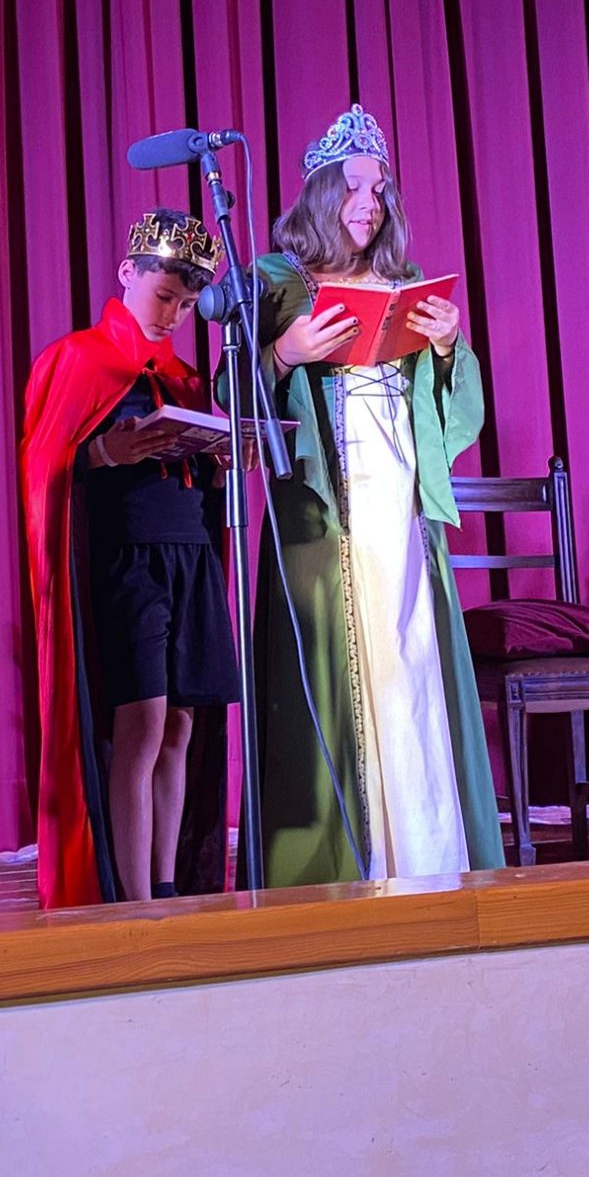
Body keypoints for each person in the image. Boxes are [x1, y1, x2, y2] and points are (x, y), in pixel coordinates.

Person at [242, 105, 500, 887]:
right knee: (338, 675)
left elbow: (453, 412)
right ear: (323, 191)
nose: (370, 202)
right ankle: (347, 866)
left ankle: (426, 856)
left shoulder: (405, 286)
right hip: (322, 515)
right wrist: (283, 355)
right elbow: (232, 395)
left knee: (408, 662)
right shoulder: (277, 281)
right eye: (355, 186)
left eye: (380, 189)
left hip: (401, 510)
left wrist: (447, 346)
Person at [20, 210, 236, 908]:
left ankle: (167, 885)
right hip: (127, 559)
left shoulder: (188, 379)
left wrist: (219, 459)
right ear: (127, 274)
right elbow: (44, 466)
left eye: (186, 303)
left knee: (181, 726)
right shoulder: (78, 359)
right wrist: (104, 452)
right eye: (163, 295)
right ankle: (133, 898)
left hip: (189, 553)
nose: (172, 314)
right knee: (140, 725)